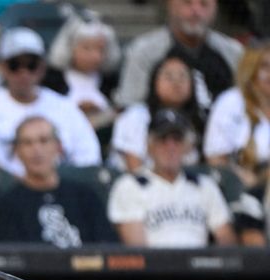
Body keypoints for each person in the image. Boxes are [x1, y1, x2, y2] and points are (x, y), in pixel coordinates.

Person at [0, 27, 101, 177]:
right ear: (2, 67)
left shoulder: (65, 107)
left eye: (31, 65)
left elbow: (88, 157)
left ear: (42, 68)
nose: (24, 72)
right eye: (15, 65)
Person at [107, 108, 237, 247]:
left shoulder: (204, 186)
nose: (171, 147)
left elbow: (227, 244)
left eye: (177, 139)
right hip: (155, 266)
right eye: (163, 139)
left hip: (200, 266)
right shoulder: (130, 186)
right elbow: (138, 252)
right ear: (149, 145)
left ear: (187, 146)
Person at [0, 116, 117, 247]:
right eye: (28, 143)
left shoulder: (85, 196)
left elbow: (106, 248)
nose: (36, 150)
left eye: (44, 141)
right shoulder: (6, 205)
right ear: (17, 151)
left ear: (58, 146)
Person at [115, 0, 242, 110]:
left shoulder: (233, 53)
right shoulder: (144, 52)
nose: (196, 11)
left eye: (204, 4)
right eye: (187, 3)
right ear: (170, 5)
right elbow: (131, 107)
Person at [110, 52, 206, 173]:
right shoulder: (136, 115)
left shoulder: (199, 120)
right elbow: (134, 168)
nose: (176, 83)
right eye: (168, 76)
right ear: (154, 81)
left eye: (183, 76)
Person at [205, 41, 270, 190]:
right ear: (250, 68)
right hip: (240, 186)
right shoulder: (231, 101)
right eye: (264, 66)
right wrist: (249, 181)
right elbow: (216, 159)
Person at [44, 13, 121, 132]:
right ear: (70, 47)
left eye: (101, 49)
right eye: (87, 48)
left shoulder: (111, 80)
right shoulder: (51, 79)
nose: (96, 56)